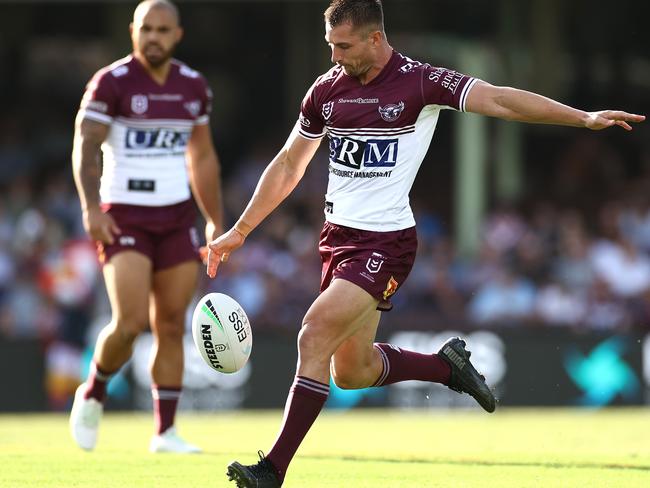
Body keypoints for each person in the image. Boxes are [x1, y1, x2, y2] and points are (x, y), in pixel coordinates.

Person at [207, 0, 645, 485]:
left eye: (343, 46)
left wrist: (580, 117)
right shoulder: (327, 91)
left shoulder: (420, 81)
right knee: (351, 371)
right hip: (338, 241)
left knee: (312, 333)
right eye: (330, 45)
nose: (334, 56)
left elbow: (499, 99)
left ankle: (273, 469)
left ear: (375, 38)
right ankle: (446, 366)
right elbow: (290, 164)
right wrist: (241, 229)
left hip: (386, 243)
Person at [69, 0, 223, 453]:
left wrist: (215, 220)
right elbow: (86, 145)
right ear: (133, 31)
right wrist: (91, 208)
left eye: (162, 30)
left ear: (177, 35)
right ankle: (93, 391)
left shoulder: (194, 86)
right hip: (125, 215)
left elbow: (203, 157)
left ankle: (165, 431)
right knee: (131, 321)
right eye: (146, 29)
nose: (153, 37)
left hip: (176, 217)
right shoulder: (111, 82)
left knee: (172, 324)